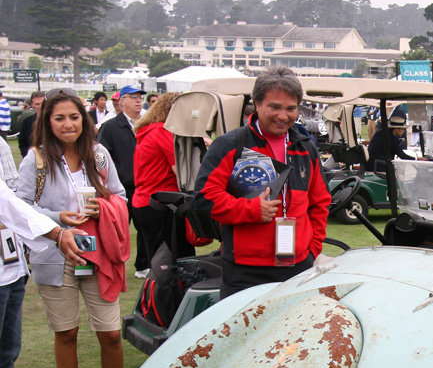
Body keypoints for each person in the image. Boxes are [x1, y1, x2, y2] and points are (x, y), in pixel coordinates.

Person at [15, 88, 128, 368]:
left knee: (110, 333)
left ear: (85, 118)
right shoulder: (35, 159)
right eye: (59, 117)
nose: (68, 124)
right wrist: (58, 218)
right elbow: (21, 210)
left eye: (74, 117)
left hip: (99, 256)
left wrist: (106, 204)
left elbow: (122, 197)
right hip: (55, 255)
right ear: (47, 122)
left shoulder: (99, 154)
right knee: (66, 332)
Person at [193, 66, 330, 298]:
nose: (283, 116)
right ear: (257, 104)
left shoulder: (306, 148)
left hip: (298, 267)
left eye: (290, 108)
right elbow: (204, 198)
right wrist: (251, 210)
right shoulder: (229, 145)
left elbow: (320, 202)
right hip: (245, 271)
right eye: (274, 107)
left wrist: (312, 248)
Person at [1, 180, 89, 368]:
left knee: (6, 355)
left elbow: (8, 197)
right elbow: (10, 205)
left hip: (10, 267)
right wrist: (57, 232)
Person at [133, 92, 195, 260]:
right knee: (176, 259)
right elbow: (183, 172)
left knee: (159, 259)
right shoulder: (163, 131)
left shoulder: (149, 131)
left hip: (146, 200)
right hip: (163, 202)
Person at [98, 85, 145, 275]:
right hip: (120, 188)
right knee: (117, 229)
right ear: (122, 101)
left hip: (143, 187)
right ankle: (111, 265)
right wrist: (117, 175)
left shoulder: (147, 124)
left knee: (144, 228)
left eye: (140, 97)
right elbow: (102, 157)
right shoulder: (110, 127)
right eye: (133, 97)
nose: (138, 101)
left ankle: (143, 265)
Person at [17, 91, 45, 159]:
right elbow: (22, 142)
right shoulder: (26, 122)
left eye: (43, 103)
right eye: (37, 104)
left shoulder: (55, 121)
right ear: (32, 105)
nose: (40, 106)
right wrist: (27, 157)